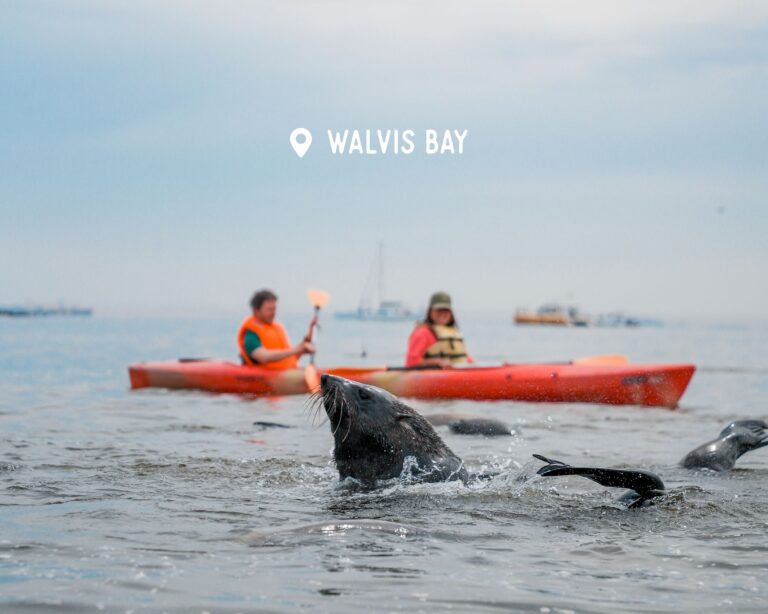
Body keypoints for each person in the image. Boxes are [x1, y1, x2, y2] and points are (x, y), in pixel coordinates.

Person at [237, 289, 315, 369]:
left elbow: (290, 357)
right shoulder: (251, 334)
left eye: (274, 309)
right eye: (269, 309)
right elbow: (263, 357)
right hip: (265, 378)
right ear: (256, 310)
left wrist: (303, 346)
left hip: (287, 374)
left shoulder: (277, 328)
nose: (273, 313)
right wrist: (296, 349)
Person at [405, 291, 472, 368]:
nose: (442, 313)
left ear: (451, 312)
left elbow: (466, 359)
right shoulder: (422, 332)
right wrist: (435, 361)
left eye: (446, 310)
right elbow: (411, 363)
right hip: (431, 377)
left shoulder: (453, 332)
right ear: (430, 311)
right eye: (438, 310)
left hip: (457, 374)